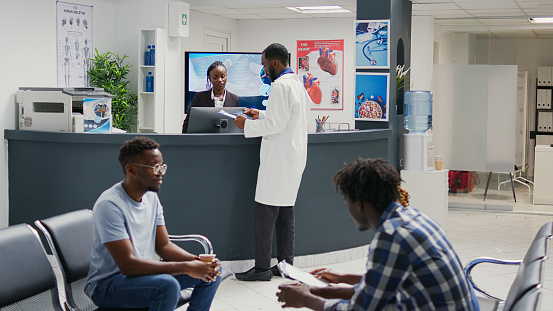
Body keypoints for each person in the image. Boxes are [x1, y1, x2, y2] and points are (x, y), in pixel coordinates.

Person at [276, 158, 479, 310]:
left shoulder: (391, 236)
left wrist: (305, 299)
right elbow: (382, 289)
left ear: (359, 204)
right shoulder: (412, 217)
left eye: (347, 203)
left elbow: (361, 309)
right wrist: (335, 283)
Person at [85, 136, 221, 311]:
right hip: (108, 285)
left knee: (212, 272)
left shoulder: (151, 196)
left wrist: (197, 262)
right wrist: (187, 267)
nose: (160, 173)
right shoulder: (110, 205)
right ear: (131, 170)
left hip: (142, 276)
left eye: (162, 167)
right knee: (167, 285)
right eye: (154, 167)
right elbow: (127, 265)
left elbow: (163, 245)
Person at [233, 43, 312, 281]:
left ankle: (261, 269)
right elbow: (287, 118)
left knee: (265, 214)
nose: (264, 71)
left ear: (275, 63)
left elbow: (275, 125)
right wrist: (263, 114)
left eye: (265, 65)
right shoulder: (298, 85)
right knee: (286, 213)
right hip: (294, 157)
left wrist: (245, 124)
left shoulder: (279, 86)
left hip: (279, 159)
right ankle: (285, 266)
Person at [182, 61, 240, 133]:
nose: (220, 80)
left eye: (222, 76)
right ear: (209, 79)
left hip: (227, 141)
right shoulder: (200, 97)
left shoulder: (235, 99)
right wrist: (185, 141)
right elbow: (188, 122)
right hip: (205, 140)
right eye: (215, 77)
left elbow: (238, 126)